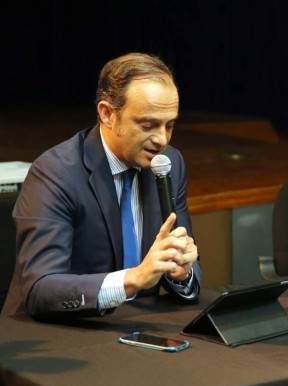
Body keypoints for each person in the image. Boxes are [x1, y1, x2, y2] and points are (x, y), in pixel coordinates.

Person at [2, 52, 201, 319]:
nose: (161, 139)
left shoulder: (169, 164)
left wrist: (182, 272)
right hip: (58, 332)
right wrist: (134, 278)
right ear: (108, 114)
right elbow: (41, 288)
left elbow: (186, 262)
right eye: (147, 125)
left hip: (136, 326)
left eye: (170, 125)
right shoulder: (55, 173)